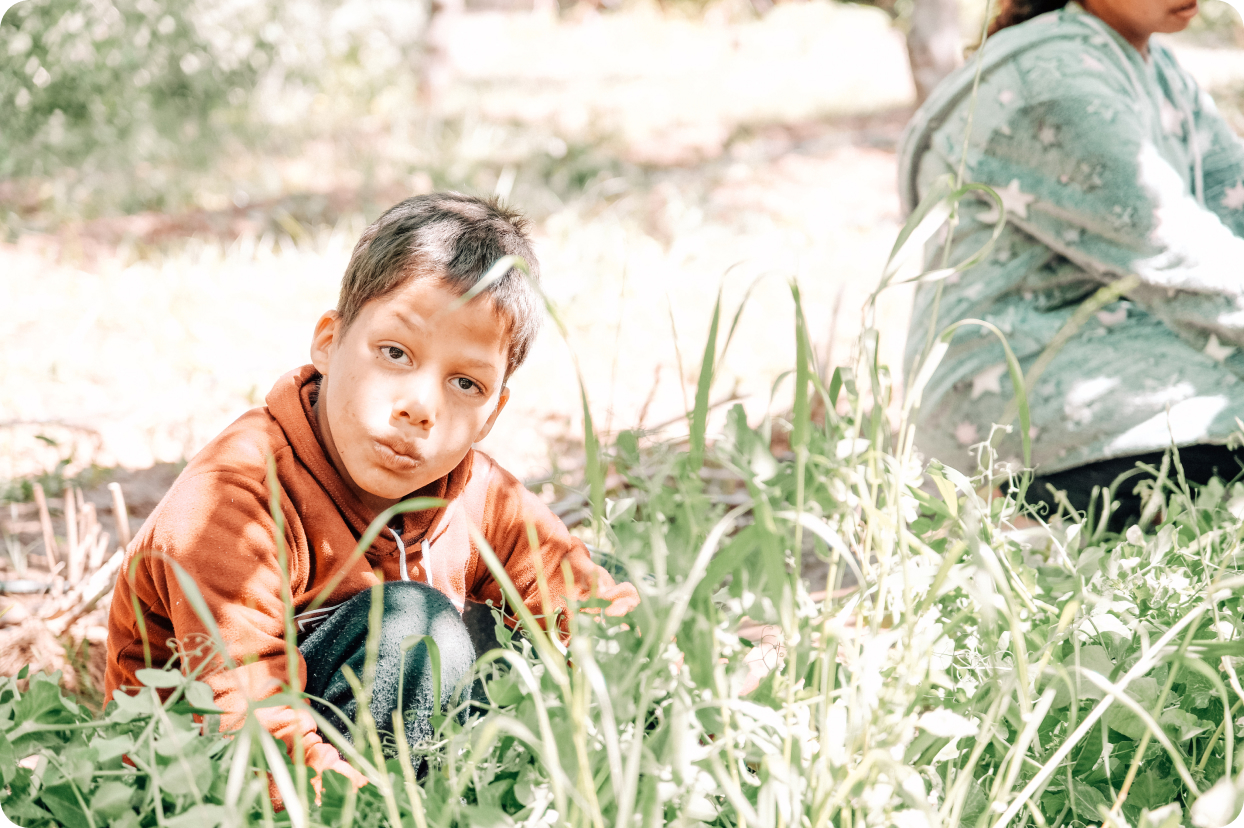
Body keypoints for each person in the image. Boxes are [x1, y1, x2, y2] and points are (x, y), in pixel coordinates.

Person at [103, 193, 640, 787]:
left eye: (465, 382)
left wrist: (683, 693)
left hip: (376, 726)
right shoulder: (232, 503)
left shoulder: (474, 492)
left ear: (492, 412)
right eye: (395, 353)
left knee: (591, 589)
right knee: (415, 630)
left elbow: (587, 601)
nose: (420, 407)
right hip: (204, 776)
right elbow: (250, 726)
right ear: (328, 342)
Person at [900, 0, 1244, 527]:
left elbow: (1233, 204)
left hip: (1118, 346)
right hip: (1018, 397)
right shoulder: (1051, 80)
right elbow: (1184, 263)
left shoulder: (1155, 66)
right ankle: (1010, 521)